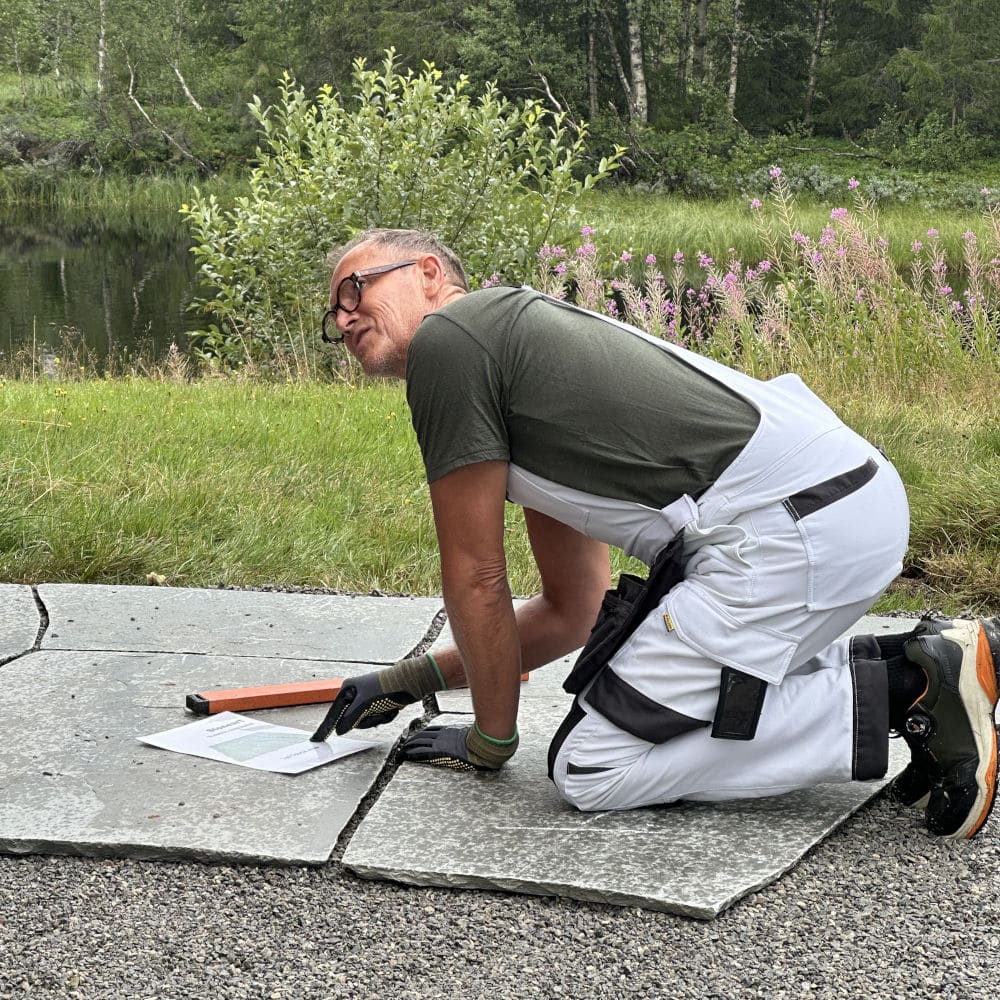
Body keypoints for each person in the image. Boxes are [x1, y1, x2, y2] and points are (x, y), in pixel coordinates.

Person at [309, 227, 1000, 841]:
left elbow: (475, 576)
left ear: (429, 273)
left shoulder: (451, 339)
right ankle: (922, 671)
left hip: (786, 533)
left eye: (353, 288)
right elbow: (571, 608)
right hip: (837, 510)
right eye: (331, 314)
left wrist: (490, 740)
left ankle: (914, 690)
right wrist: (410, 679)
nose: (342, 319)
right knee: (655, 700)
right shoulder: (509, 359)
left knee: (593, 764)